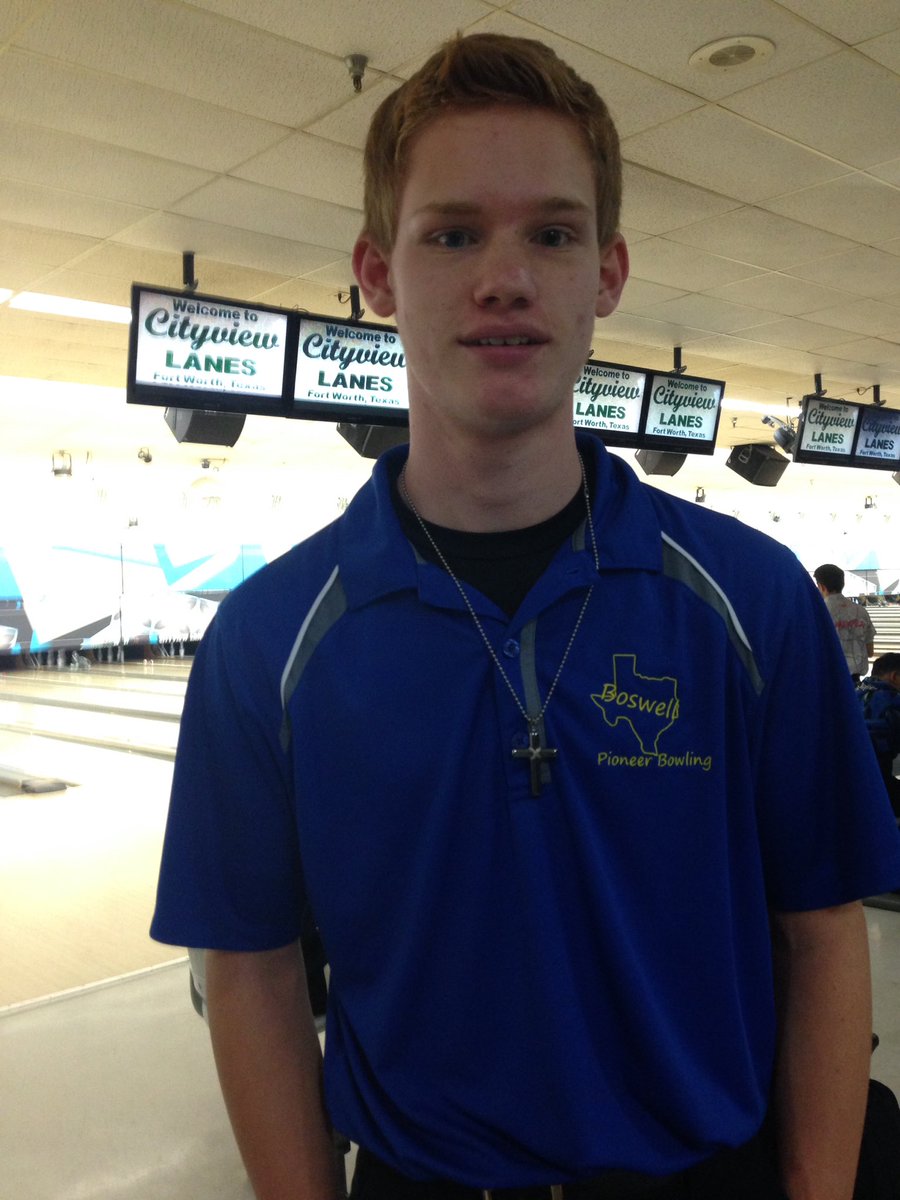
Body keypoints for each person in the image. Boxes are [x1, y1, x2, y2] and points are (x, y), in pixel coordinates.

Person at [150, 32, 900, 1200]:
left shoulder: (753, 602)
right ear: (379, 271)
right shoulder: (268, 644)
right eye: (453, 234)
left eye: (551, 233)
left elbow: (821, 928)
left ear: (606, 273)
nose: (504, 277)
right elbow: (247, 973)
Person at [814, 563, 876, 682]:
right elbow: (870, 652)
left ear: (821, 587)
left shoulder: (818, 611)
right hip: (855, 680)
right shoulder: (860, 610)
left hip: (828, 678)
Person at [858, 653, 900, 819]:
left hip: (847, 779)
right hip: (878, 785)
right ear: (895, 677)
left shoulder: (853, 692)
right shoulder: (892, 702)